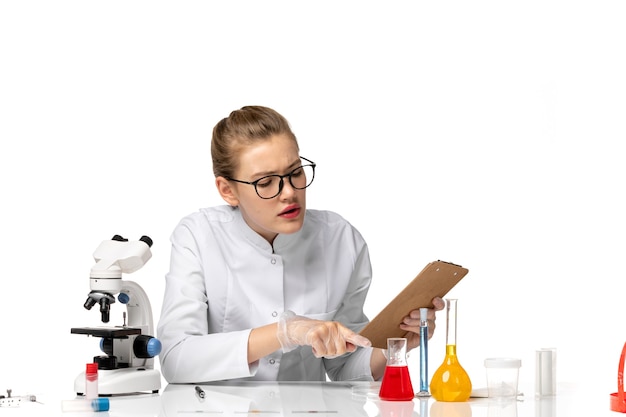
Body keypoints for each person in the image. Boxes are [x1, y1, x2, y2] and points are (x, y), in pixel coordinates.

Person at [157, 105, 445, 383]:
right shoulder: (198, 236)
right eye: (266, 182)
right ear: (228, 190)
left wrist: (393, 346)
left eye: (295, 172)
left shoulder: (340, 240)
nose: (290, 193)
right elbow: (176, 359)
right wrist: (286, 332)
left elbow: (343, 366)